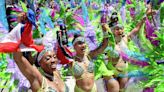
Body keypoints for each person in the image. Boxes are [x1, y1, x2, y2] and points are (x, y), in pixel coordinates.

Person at [104, 4, 157, 92]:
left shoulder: (125, 39)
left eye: (121, 29)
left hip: (124, 71)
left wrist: (146, 16)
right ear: (112, 30)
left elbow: (137, 28)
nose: (119, 31)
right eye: (117, 29)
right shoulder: (108, 42)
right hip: (112, 72)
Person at [69, 23, 110, 92]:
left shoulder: (90, 55)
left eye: (84, 42)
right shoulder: (71, 60)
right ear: (74, 46)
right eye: (79, 43)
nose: (83, 45)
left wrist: (105, 31)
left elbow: (104, 46)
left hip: (93, 89)